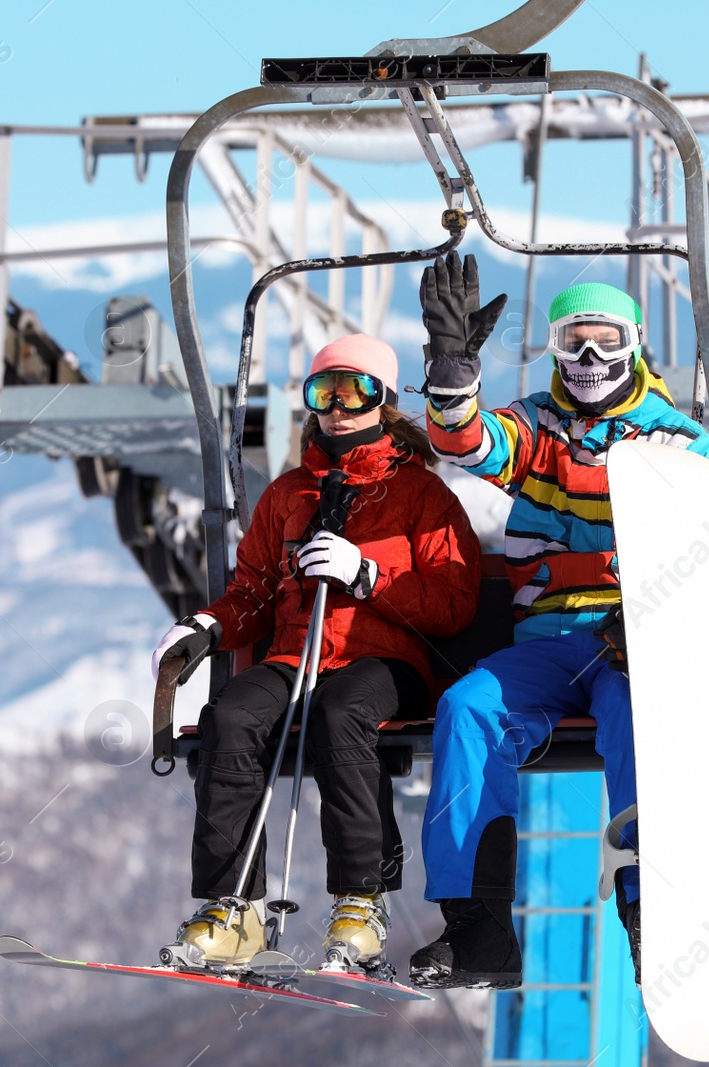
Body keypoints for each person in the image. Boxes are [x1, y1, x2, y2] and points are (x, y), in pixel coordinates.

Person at [407, 253, 709, 990]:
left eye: (605, 340)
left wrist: (651, 620)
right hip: (547, 645)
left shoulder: (675, 441)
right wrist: (453, 370)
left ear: (635, 342)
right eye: (573, 340)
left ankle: (654, 908)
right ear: (552, 347)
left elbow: (699, 534)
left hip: (630, 646)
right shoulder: (536, 429)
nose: (588, 358)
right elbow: (465, 440)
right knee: (468, 707)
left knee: (637, 720)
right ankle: (478, 925)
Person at [151, 333, 481, 977]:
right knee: (231, 716)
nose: (337, 406)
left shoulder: (420, 495)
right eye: (322, 391)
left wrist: (368, 578)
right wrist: (208, 627)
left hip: (386, 665)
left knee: (341, 712)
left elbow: (455, 605)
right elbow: (252, 593)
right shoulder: (287, 496)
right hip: (294, 656)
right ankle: (234, 910)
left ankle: (361, 903)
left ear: (382, 401)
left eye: (354, 390)